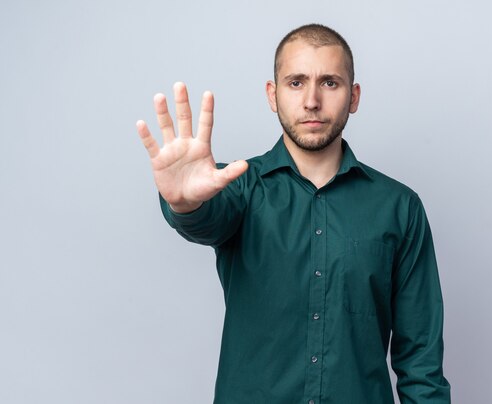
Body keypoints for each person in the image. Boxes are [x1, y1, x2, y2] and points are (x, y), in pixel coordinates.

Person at [137, 23, 451, 404]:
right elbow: (205, 219)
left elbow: (421, 362)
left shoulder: (399, 208)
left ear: (354, 97)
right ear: (273, 94)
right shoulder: (238, 188)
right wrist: (184, 202)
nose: (312, 101)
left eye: (330, 83)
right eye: (296, 82)